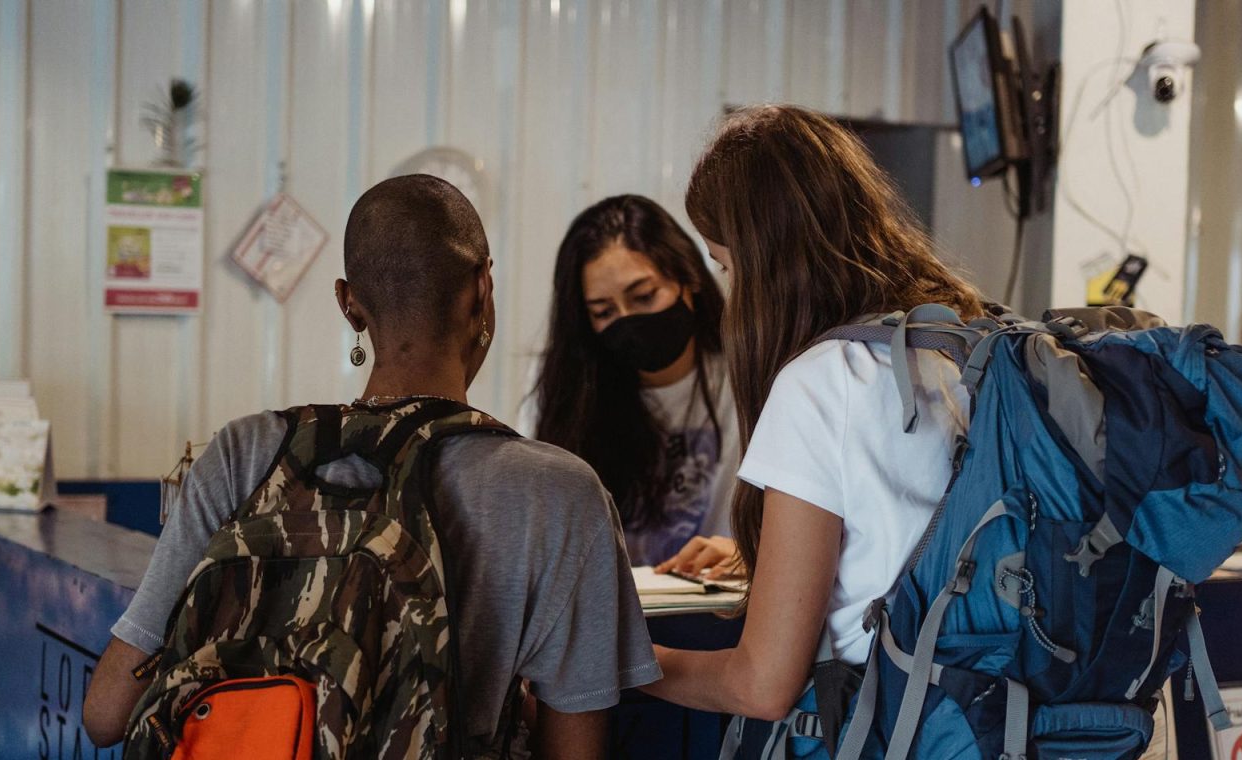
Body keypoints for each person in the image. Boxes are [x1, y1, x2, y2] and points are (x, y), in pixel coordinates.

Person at [83, 175, 661, 758]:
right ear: (483, 288)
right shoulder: (558, 493)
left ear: (348, 302)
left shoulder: (244, 453)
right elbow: (574, 750)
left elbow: (106, 714)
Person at [641, 105, 984, 733]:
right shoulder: (964, 346)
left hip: (894, 729)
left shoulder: (823, 381)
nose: (728, 290)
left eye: (725, 264)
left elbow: (763, 686)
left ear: (762, 259)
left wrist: (627, 664)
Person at [523, 194, 741, 572]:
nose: (627, 321)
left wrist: (748, 554)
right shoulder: (566, 392)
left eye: (643, 296)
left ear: (687, 278)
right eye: (603, 311)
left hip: (717, 606)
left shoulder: (746, 379)